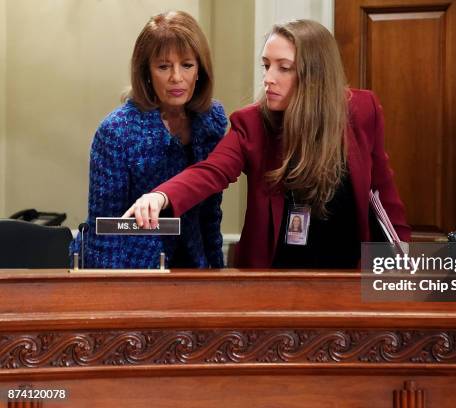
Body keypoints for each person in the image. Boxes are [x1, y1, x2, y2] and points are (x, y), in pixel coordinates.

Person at [125, 19, 410, 268]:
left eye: (284, 68)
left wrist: (403, 260)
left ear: (315, 75)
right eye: (266, 65)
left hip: (347, 275)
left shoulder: (362, 110)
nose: (268, 79)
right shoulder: (252, 122)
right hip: (274, 276)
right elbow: (212, 170)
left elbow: (382, 195)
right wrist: (161, 196)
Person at [70, 11, 227, 269]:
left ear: (200, 70)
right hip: (131, 267)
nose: (177, 77)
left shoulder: (211, 121)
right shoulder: (117, 130)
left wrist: (217, 276)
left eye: (187, 65)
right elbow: (106, 228)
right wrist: (111, 296)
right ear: (147, 72)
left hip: (192, 264)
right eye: (164, 66)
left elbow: (210, 215)